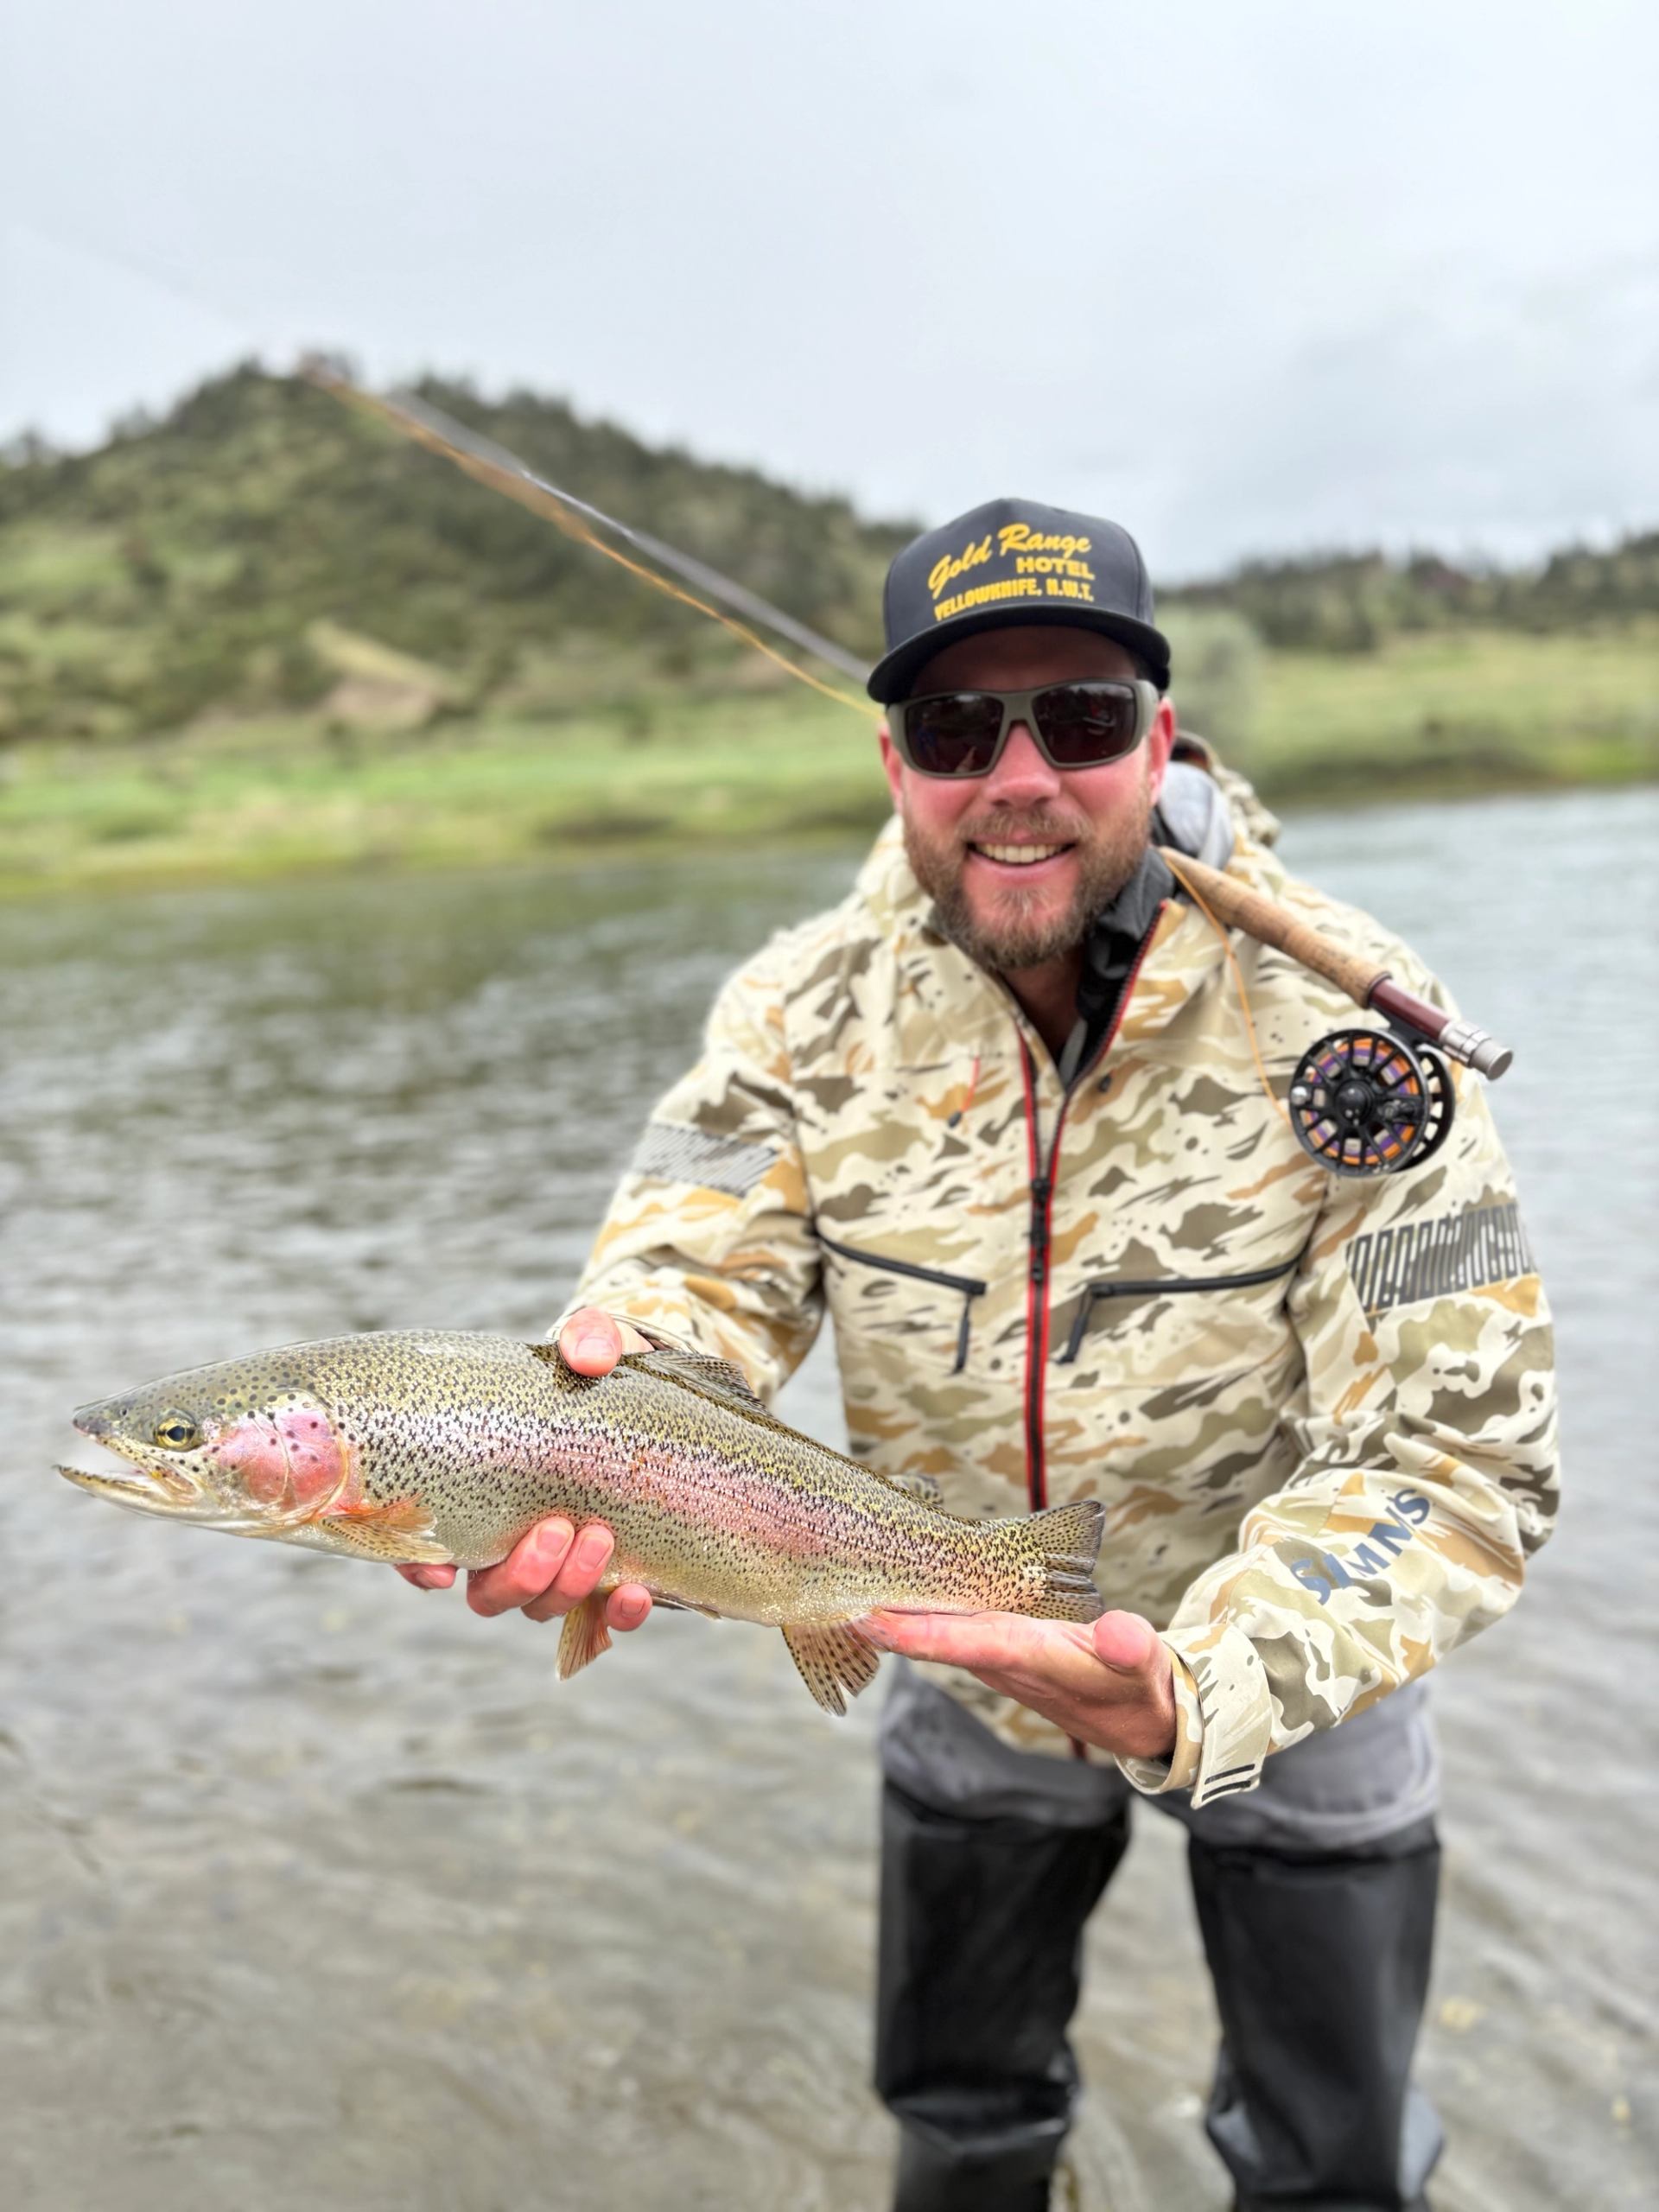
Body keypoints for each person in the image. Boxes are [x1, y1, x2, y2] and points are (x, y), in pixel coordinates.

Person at [400, 499, 1560, 2211]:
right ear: (897, 766)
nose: (1017, 772)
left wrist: (1201, 1682)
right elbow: (687, 1282)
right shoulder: (796, 1010)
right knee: (960, 2118)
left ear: (1157, 737)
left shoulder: (1356, 1024)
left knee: (1334, 2164)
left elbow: (1461, 1463)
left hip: (1300, 1682)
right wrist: (586, 1429)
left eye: (1078, 717)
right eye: (957, 727)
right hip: (944, 1650)